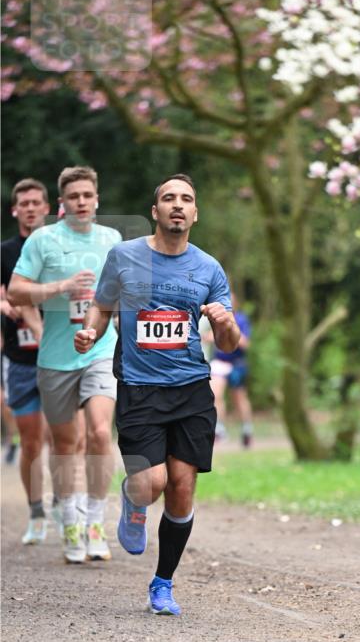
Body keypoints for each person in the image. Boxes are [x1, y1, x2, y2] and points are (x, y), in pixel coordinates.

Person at [74, 174, 240, 615]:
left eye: (186, 199)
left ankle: (162, 583)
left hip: (190, 390)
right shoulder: (124, 257)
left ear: (195, 213)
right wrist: (91, 329)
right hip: (139, 389)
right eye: (169, 198)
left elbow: (229, 343)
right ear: (155, 211)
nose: (177, 205)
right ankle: (133, 496)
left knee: (182, 489)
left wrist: (223, 322)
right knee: (153, 484)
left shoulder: (208, 268)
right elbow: (102, 302)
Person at [8, 166, 121, 563]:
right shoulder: (43, 240)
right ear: (63, 202)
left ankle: (94, 521)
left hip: (101, 350)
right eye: (74, 196)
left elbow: (121, 293)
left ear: (96, 198)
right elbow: (17, 291)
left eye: (88, 195)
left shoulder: (112, 239)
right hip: (55, 357)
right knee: (66, 444)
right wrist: (60, 288)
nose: (82, 202)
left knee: (101, 433)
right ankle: (69, 519)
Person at [1, 178, 51, 543]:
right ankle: (36, 512)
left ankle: (67, 499)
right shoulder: (4, 252)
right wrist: (7, 305)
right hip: (20, 358)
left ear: (47, 208)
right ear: (15, 210)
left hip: (60, 356)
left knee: (62, 436)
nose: (30, 208)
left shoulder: (61, 248)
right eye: (24, 203)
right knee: (32, 440)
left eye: (36, 202)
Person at [210, 292, 254, 447]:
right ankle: (218, 429)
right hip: (220, 363)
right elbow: (211, 336)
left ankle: (246, 429)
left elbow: (246, 343)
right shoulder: (215, 319)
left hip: (236, 363)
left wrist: (232, 331)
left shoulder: (241, 319)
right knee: (215, 394)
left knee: (239, 398)